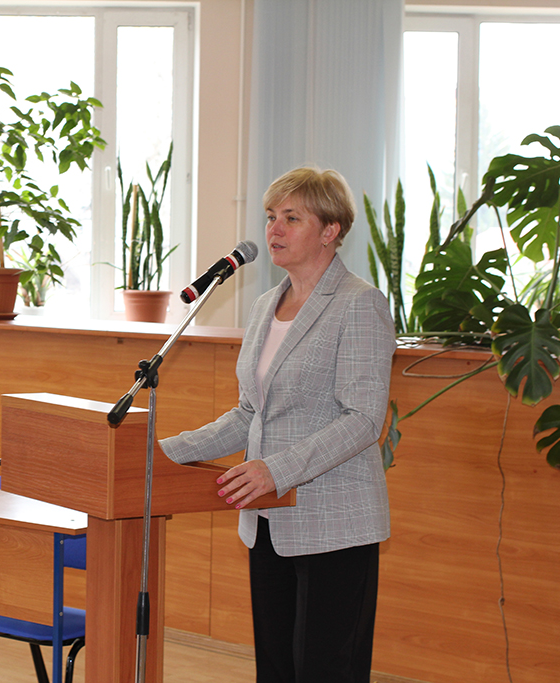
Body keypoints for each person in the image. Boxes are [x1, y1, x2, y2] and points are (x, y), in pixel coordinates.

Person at [159, 167, 395, 683]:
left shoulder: (359, 303)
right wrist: (163, 452)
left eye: (291, 217)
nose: (274, 229)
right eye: (270, 217)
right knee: (276, 670)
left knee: (326, 671)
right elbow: (249, 414)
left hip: (334, 522)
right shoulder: (266, 305)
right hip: (267, 520)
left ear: (330, 230)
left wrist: (276, 470)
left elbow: (363, 420)